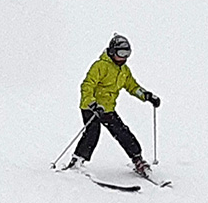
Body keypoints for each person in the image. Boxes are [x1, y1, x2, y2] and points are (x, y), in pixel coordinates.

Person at [64, 34, 161, 177]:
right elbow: (87, 85)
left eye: (127, 54)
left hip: (108, 109)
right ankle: (77, 160)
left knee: (123, 132)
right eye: (121, 53)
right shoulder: (100, 66)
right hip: (91, 107)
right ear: (112, 51)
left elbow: (132, 86)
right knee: (92, 133)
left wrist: (146, 95)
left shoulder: (124, 71)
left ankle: (138, 160)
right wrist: (92, 103)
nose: (124, 57)